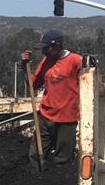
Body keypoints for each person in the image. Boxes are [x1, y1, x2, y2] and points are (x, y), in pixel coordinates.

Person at [21, 30, 83, 167]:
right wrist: (25, 67)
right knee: (36, 154)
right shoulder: (46, 62)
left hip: (67, 118)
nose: (44, 52)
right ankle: (37, 180)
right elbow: (33, 84)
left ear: (56, 46)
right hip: (46, 115)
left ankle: (58, 183)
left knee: (63, 157)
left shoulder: (75, 61)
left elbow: (92, 80)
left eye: (46, 48)